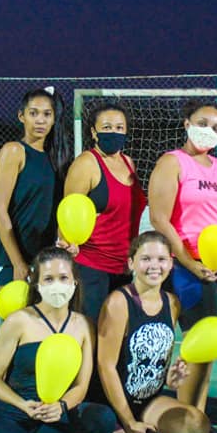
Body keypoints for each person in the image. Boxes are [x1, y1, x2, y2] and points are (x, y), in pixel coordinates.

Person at [0, 248, 116, 433]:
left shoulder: (84, 326)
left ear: (75, 282)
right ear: (37, 283)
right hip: (10, 416)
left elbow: (81, 385)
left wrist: (62, 406)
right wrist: (23, 405)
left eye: (63, 278)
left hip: (53, 414)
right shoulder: (19, 321)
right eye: (49, 279)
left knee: (103, 418)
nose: (57, 285)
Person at [88, 231, 210, 433]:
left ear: (171, 263)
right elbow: (105, 367)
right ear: (131, 262)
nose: (154, 266)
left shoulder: (172, 303)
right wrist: (128, 421)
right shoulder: (119, 302)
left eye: (161, 259)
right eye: (146, 259)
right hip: (109, 406)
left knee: (196, 425)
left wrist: (172, 378)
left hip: (146, 402)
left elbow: (157, 358)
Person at [148, 100, 217, 433]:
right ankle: (181, 431)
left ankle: (198, 422)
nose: (208, 131)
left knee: (208, 351)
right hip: (186, 267)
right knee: (192, 347)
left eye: (216, 127)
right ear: (186, 123)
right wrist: (188, 261)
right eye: (202, 123)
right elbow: (159, 218)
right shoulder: (172, 162)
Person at [63, 104, 146, 323]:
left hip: (123, 267)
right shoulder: (86, 164)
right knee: (91, 333)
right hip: (91, 267)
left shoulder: (129, 163)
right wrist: (67, 244)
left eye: (119, 127)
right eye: (107, 127)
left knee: (118, 333)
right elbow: (67, 213)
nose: (114, 132)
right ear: (93, 132)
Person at [0, 87, 65, 286]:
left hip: (45, 262)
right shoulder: (14, 151)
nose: (40, 120)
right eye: (33, 113)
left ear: (54, 119)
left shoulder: (56, 160)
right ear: (21, 116)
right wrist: (18, 263)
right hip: (13, 263)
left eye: (47, 114)